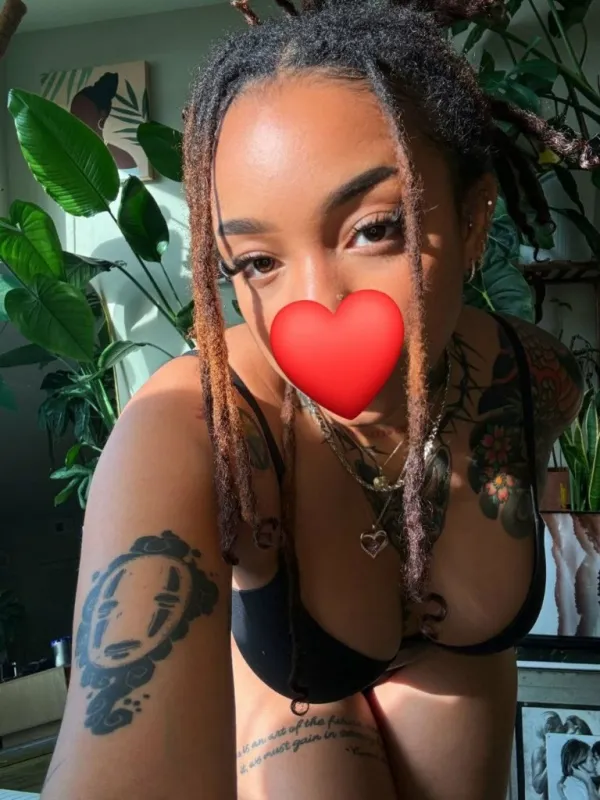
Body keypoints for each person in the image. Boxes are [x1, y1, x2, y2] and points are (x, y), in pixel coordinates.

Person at [41, 1, 593, 798]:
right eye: (257, 262)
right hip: (295, 688)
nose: (316, 309)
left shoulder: (540, 381)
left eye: (374, 229)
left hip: (456, 677)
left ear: (475, 220)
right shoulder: (196, 428)